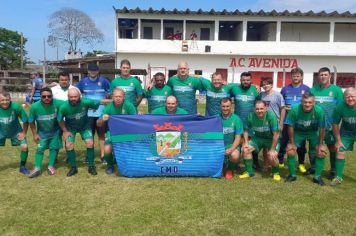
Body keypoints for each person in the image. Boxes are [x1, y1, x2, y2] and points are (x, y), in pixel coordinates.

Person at [284, 92, 327, 185]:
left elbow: (322, 128)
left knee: (321, 151)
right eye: (305, 102)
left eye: (310, 102)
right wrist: (292, 143)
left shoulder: (319, 111)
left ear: (314, 102)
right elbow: (290, 126)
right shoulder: (295, 110)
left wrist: (321, 144)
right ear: (301, 102)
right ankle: (292, 175)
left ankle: (317, 176)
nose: (307, 104)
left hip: (313, 132)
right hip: (298, 132)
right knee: (290, 150)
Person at [58, 88, 101, 176]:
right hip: (70, 128)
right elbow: (59, 120)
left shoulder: (85, 102)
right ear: (68, 97)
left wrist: (95, 108)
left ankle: (91, 166)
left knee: (90, 143)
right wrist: (65, 131)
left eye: (75, 96)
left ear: (79, 96)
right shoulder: (64, 107)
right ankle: (73, 167)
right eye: (71, 97)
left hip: (84, 126)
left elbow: (97, 102)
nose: (73, 98)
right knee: (69, 145)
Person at [310, 67, 344, 179]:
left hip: (331, 126)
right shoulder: (313, 90)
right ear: (318, 76)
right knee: (315, 146)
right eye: (321, 75)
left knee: (333, 148)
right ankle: (314, 167)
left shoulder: (337, 90)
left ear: (330, 76)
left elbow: (341, 108)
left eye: (325, 74)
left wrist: (338, 124)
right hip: (316, 125)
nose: (323, 76)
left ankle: (333, 169)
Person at [76, 62, 111, 163]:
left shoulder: (104, 81)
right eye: (91, 70)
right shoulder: (83, 82)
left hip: (101, 113)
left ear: (98, 71)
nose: (93, 72)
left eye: (95, 70)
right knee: (89, 135)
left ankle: (103, 156)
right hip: (88, 114)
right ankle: (89, 156)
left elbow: (110, 94)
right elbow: (76, 93)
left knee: (101, 135)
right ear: (88, 71)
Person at [97, 88, 137, 175]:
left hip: (126, 132)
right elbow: (98, 123)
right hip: (113, 131)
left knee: (129, 149)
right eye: (116, 96)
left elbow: (135, 121)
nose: (118, 98)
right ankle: (110, 165)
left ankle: (127, 163)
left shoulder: (129, 105)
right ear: (112, 97)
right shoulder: (109, 107)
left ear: (124, 97)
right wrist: (102, 119)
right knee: (107, 149)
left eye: (120, 96)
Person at [279, 67, 310, 172]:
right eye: (293, 76)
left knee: (301, 143)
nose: (295, 77)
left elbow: (309, 103)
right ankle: (281, 161)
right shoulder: (285, 89)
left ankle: (301, 163)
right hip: (287, 121)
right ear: (291, 76)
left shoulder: (306, 89)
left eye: (297, 76)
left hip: (301, 122)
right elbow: (282, 105)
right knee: (284, 141)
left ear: (301, 77)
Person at [241, 100, 281, 181]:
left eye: (261, 108)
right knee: (245, 150)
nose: (259, 111)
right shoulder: (251, 116)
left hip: (271, 139)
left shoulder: (271, 116)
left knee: (271, 156)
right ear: (254, 109)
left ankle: (276, 172)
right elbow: (245, 130)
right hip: (258, 139)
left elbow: (276, 135)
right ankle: (249, 172)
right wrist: (245, 143)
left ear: (266, 108)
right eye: (257, 109)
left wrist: (273, 149)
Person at [28, 88, 63, 178]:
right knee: (40, 149)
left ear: (52, 96)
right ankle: (37, 168)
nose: (46, 98)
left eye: (49, 96)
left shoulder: (58, 103)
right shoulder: (34, 107)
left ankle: (50, 166)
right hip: (42, 133)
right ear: (40, 97)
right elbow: (31, 122)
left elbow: (71, 102)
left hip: (55, 131)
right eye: (44, 96)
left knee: (54, 148)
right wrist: (35, 134)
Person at [230, 72, 260, 169]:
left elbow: (259, 104)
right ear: (240, 80)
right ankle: (236, 162)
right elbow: (226, 89)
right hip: (237, 121)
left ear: (251, 80)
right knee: (238, 141)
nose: (246, 82)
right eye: (243, 80)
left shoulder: (255, 90)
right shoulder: (234, 88)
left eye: (248, 80)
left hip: (251, 121)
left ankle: (255, 162)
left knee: (252, 141)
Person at [258, 77, 286, 171]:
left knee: (274, 144)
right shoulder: (261, 95)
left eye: (267, 84)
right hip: (264, 124)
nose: (265, 86)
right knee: (266, 146)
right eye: (263, 84)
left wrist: (281, 123)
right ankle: (266, 164)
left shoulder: (278, 95)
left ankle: (274, 165)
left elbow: (282, 109)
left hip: (275, 123)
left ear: (271, 84)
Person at [0, 91, 30, 175]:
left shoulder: (16, 107)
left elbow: (25, 120)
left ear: (10, 100)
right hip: (1, 131)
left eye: (7, 100)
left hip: (16, 131)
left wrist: (23, 133)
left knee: (24, 146)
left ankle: (22, 167)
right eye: (2, 100)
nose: (5, 102)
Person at [331, 88, 356, 186]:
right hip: (346, 133)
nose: (350, 99)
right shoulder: (339, 107)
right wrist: (338, 140)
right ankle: (338, 177)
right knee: (340, 150)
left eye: (353, 96)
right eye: (347, 97)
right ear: (344, 98)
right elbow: (335, 123)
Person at [220, 98, 243, 180]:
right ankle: (221, 166)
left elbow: (238, 138)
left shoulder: (236, 119)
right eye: (223, 106)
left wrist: (231, 149)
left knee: (235, 156)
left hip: (231, 145)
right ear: (220, 106)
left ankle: (230, 169)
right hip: (219, 145)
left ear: (231, 106)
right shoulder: (216, 118)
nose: (225, 108)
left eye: (227, 106)